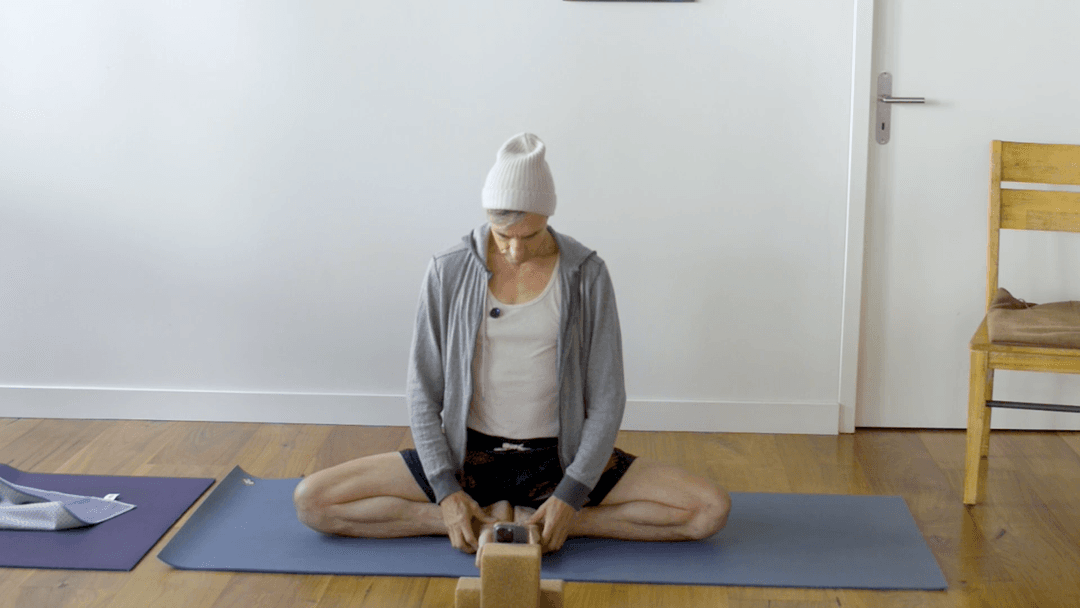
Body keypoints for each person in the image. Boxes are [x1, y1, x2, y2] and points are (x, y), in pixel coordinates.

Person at [293, 133, 730, 554]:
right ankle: (474, 521)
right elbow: (422, 392)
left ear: (548, 218)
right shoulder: (447, 270)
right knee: (312, 500)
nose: (516, 252)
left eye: (530, 236)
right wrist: (445, 493)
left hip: (558, 458)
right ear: (487, 216)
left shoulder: (587, 274)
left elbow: (608, 398)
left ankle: (547, 522)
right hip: (468, 458)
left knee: (709, 510)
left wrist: (572, 496)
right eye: (503, 236)